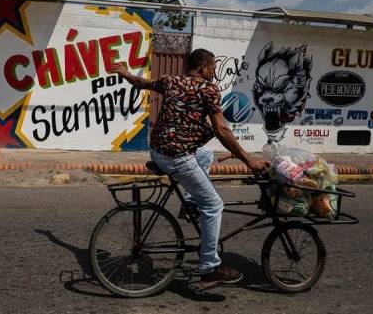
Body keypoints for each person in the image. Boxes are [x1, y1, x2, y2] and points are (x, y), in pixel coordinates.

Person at [110, 48, 268, 290]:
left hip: (158, 151)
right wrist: (248, 160)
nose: (214, 73)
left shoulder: (171, 81)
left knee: (205, 154)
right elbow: (222, 130)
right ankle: (209, 268)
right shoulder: (208, 89)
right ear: (203, 67)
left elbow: (141, 83)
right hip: (177, 157)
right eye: (213, 68)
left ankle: (190, 202)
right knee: (214, 205)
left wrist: (124, 73)